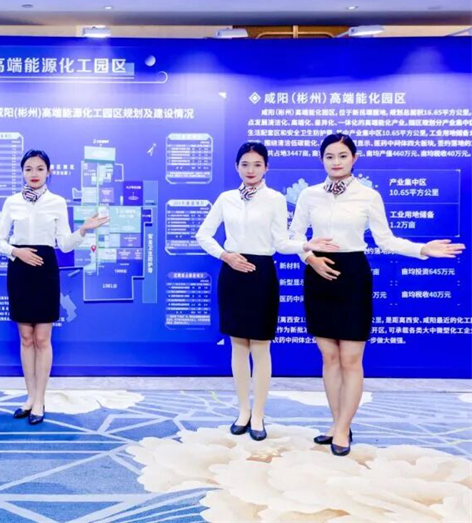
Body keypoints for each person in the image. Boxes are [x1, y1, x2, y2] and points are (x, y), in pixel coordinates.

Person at [290, 133, 464, 456]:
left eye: (343, 156)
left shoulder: (368, 196)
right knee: (329, 356)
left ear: (354, 158)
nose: (336, 162)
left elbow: (386, 240)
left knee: (351, 358)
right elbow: (295, 236)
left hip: (353, 275)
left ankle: (344, 428)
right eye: (329, 156)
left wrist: (422, 249)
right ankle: (336, 422)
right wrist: (310, 258)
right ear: (322, 160)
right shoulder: (309, 195)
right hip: (318, 275)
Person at [196, 142, 336, 441]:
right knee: (238, 346)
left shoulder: (275, 199)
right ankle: (243, 411)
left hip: (261, 274)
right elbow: (203, 235)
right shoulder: (226, 198)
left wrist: (305, 245)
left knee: (260, 347)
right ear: (237, 167)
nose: (251, 170)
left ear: (266, 167)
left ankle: (258, 414)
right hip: (232, 273)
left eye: (257, 164)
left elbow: (282, 243)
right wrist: (225, 256)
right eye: (245, 164)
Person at [0, 149, 108, 424]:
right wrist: (16, 252)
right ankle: (30, 397)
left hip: (45, 268)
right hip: (19, 267)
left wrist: (83, 230)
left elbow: (64, 244)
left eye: (40, 168)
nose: (34, 174)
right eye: (28, 169)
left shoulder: (56, 202)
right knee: (25, 338)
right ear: (22, 172)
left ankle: (40, 400)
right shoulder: (11, 202)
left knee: (42, 338)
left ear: (49, 171)